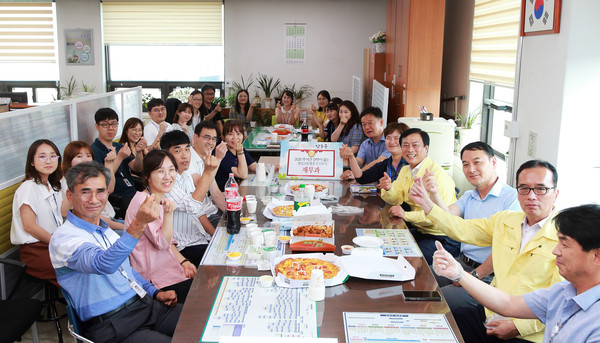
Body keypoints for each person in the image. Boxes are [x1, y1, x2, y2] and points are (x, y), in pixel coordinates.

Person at [411, 159, 563, 343]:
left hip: (531, 331)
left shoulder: (565, 238)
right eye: (524, 188)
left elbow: (562, 302)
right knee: (438, 327)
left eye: (540, 189)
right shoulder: (506, 220)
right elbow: (463, 229)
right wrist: (427, 205)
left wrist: (518, 327)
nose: (531, 196)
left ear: (555, 194)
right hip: (491, 313)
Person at [49, 161, 182, 342]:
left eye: (100, 191)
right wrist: (138, 223)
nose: (94, 199)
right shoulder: (63, 238)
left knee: (201, 322)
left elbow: (126, 270)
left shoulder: (106, 230)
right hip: (114, 323)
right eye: (85, 192)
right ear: (70, 195)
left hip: (145, 305)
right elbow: (103, 264)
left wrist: (155, 292)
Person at [433, 204, 600, 342]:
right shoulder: (562, 292)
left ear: (596, 255)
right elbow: (507, 304)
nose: (556, 251)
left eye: (565, 245)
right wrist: (459, 274)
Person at [419, 142, 521, 311]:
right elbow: (449, 217)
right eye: (465, 164)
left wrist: (474, 275)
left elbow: (506, 249)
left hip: (489, 276)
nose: (470, 169)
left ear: (493, 162)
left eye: (477, 162)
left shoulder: (511, 199)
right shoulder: (469, 195)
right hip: (462, 262)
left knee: (438, 299)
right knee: (420, 279)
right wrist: (434, 194)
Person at [125, 150, 196, 303]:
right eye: (160, 171)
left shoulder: (157, 197)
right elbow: (162, 242)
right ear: (147, 176)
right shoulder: (144, 203)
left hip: (167, 268)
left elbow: (169, 241)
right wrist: (169, 214)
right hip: (154, 280)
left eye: (171, 170)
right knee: (203, 294)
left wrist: (184, 262)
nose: (168, 176)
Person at [380, 128, 459, 263]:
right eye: (405, 145)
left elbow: (439, 216)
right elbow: (396, 199)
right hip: (421, 231)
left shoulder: (436, 176)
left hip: (442, 238)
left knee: (405, 259)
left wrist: (406, 215)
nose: (410, 150)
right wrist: (388, 188)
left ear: (426, 148)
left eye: (415, 145)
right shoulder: (406, 169)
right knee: (383, 245)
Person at [161, 131, 226, 265]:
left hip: (200, 238)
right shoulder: (166, 182)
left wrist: (215, 236)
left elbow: (199, 211)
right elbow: (192, 206)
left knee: (228, 245)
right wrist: (207, 172)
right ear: (166, 155)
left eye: (187, 149)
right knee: (223, 260)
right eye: (178, 151)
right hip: (183, 247)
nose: (185, 155)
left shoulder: (185, 175)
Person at [11, 139, 63, 286]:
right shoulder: (28, 187)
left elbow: (63, 213)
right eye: (42, 156)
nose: (48, 160)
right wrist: (58, 242)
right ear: (32, 162)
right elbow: (29, 226)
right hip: (36, 251)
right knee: (77, 270)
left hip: (52, 243)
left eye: (53, 156)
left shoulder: (51, 185)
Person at [91, 108, 144, 219]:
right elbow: (102, 181)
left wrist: (139, 153)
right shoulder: (94, 150)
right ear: (97, 126)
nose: (111, 128)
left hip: (132, 191)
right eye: (105, 125)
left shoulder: (118, 146)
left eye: (114, 124)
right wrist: (119, 158)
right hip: (117, 198)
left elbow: (137, 168)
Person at [61, 141, 124, 231]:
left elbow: (110, 189)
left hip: (111, 219)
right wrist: (122, 227)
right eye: (79, 156)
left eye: (88, 156)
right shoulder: (67, 182)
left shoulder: (92, 176)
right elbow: (65, 212)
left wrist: (109, 163)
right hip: (99, 227)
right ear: (69, 160)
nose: (85, 160)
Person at [341, 122, 408, 184]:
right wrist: (351, 157)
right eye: (388, 138)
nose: (392, 142)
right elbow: (361, 178)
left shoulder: (411, 164)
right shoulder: (384, 164)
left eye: (396, 138)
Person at [341, 106, 389, 180]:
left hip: (387, 182)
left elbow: (379, 161)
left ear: (381, 122)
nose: (367, 127)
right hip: (370, 182)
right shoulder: (365, 144)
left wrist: (357, 173)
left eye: (370, 123)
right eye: (364, 124)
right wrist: (350, 156)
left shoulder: (390, 141)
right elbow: (359, 162)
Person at [189, 120, 227, 214]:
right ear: (195, 137)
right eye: (207, 137)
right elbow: (201, 186)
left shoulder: (206, 158)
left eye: (214, 139)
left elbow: (215, 193)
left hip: (212, 209)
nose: (211, 142)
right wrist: (218, 159)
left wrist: (235, 213)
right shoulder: (187, 159)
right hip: (202, 215)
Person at [214, 120, 257, 191]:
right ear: (224, 137)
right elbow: (243, 175)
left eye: (238, 134)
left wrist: (269, 168)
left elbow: (253, 166)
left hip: (239, 189)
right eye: (230, 134)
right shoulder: (222, 153)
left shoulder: (239, 148)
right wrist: (240, 152)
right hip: (225, 194)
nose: (235, 137)